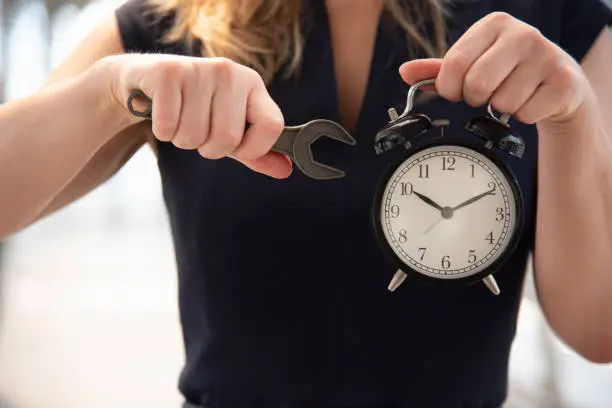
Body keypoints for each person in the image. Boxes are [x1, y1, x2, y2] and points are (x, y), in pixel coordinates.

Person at [1, 0, 612, 406]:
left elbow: (598, 329)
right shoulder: (168, 24)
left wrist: (572, 116)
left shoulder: (557, 25)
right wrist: (108, 93)